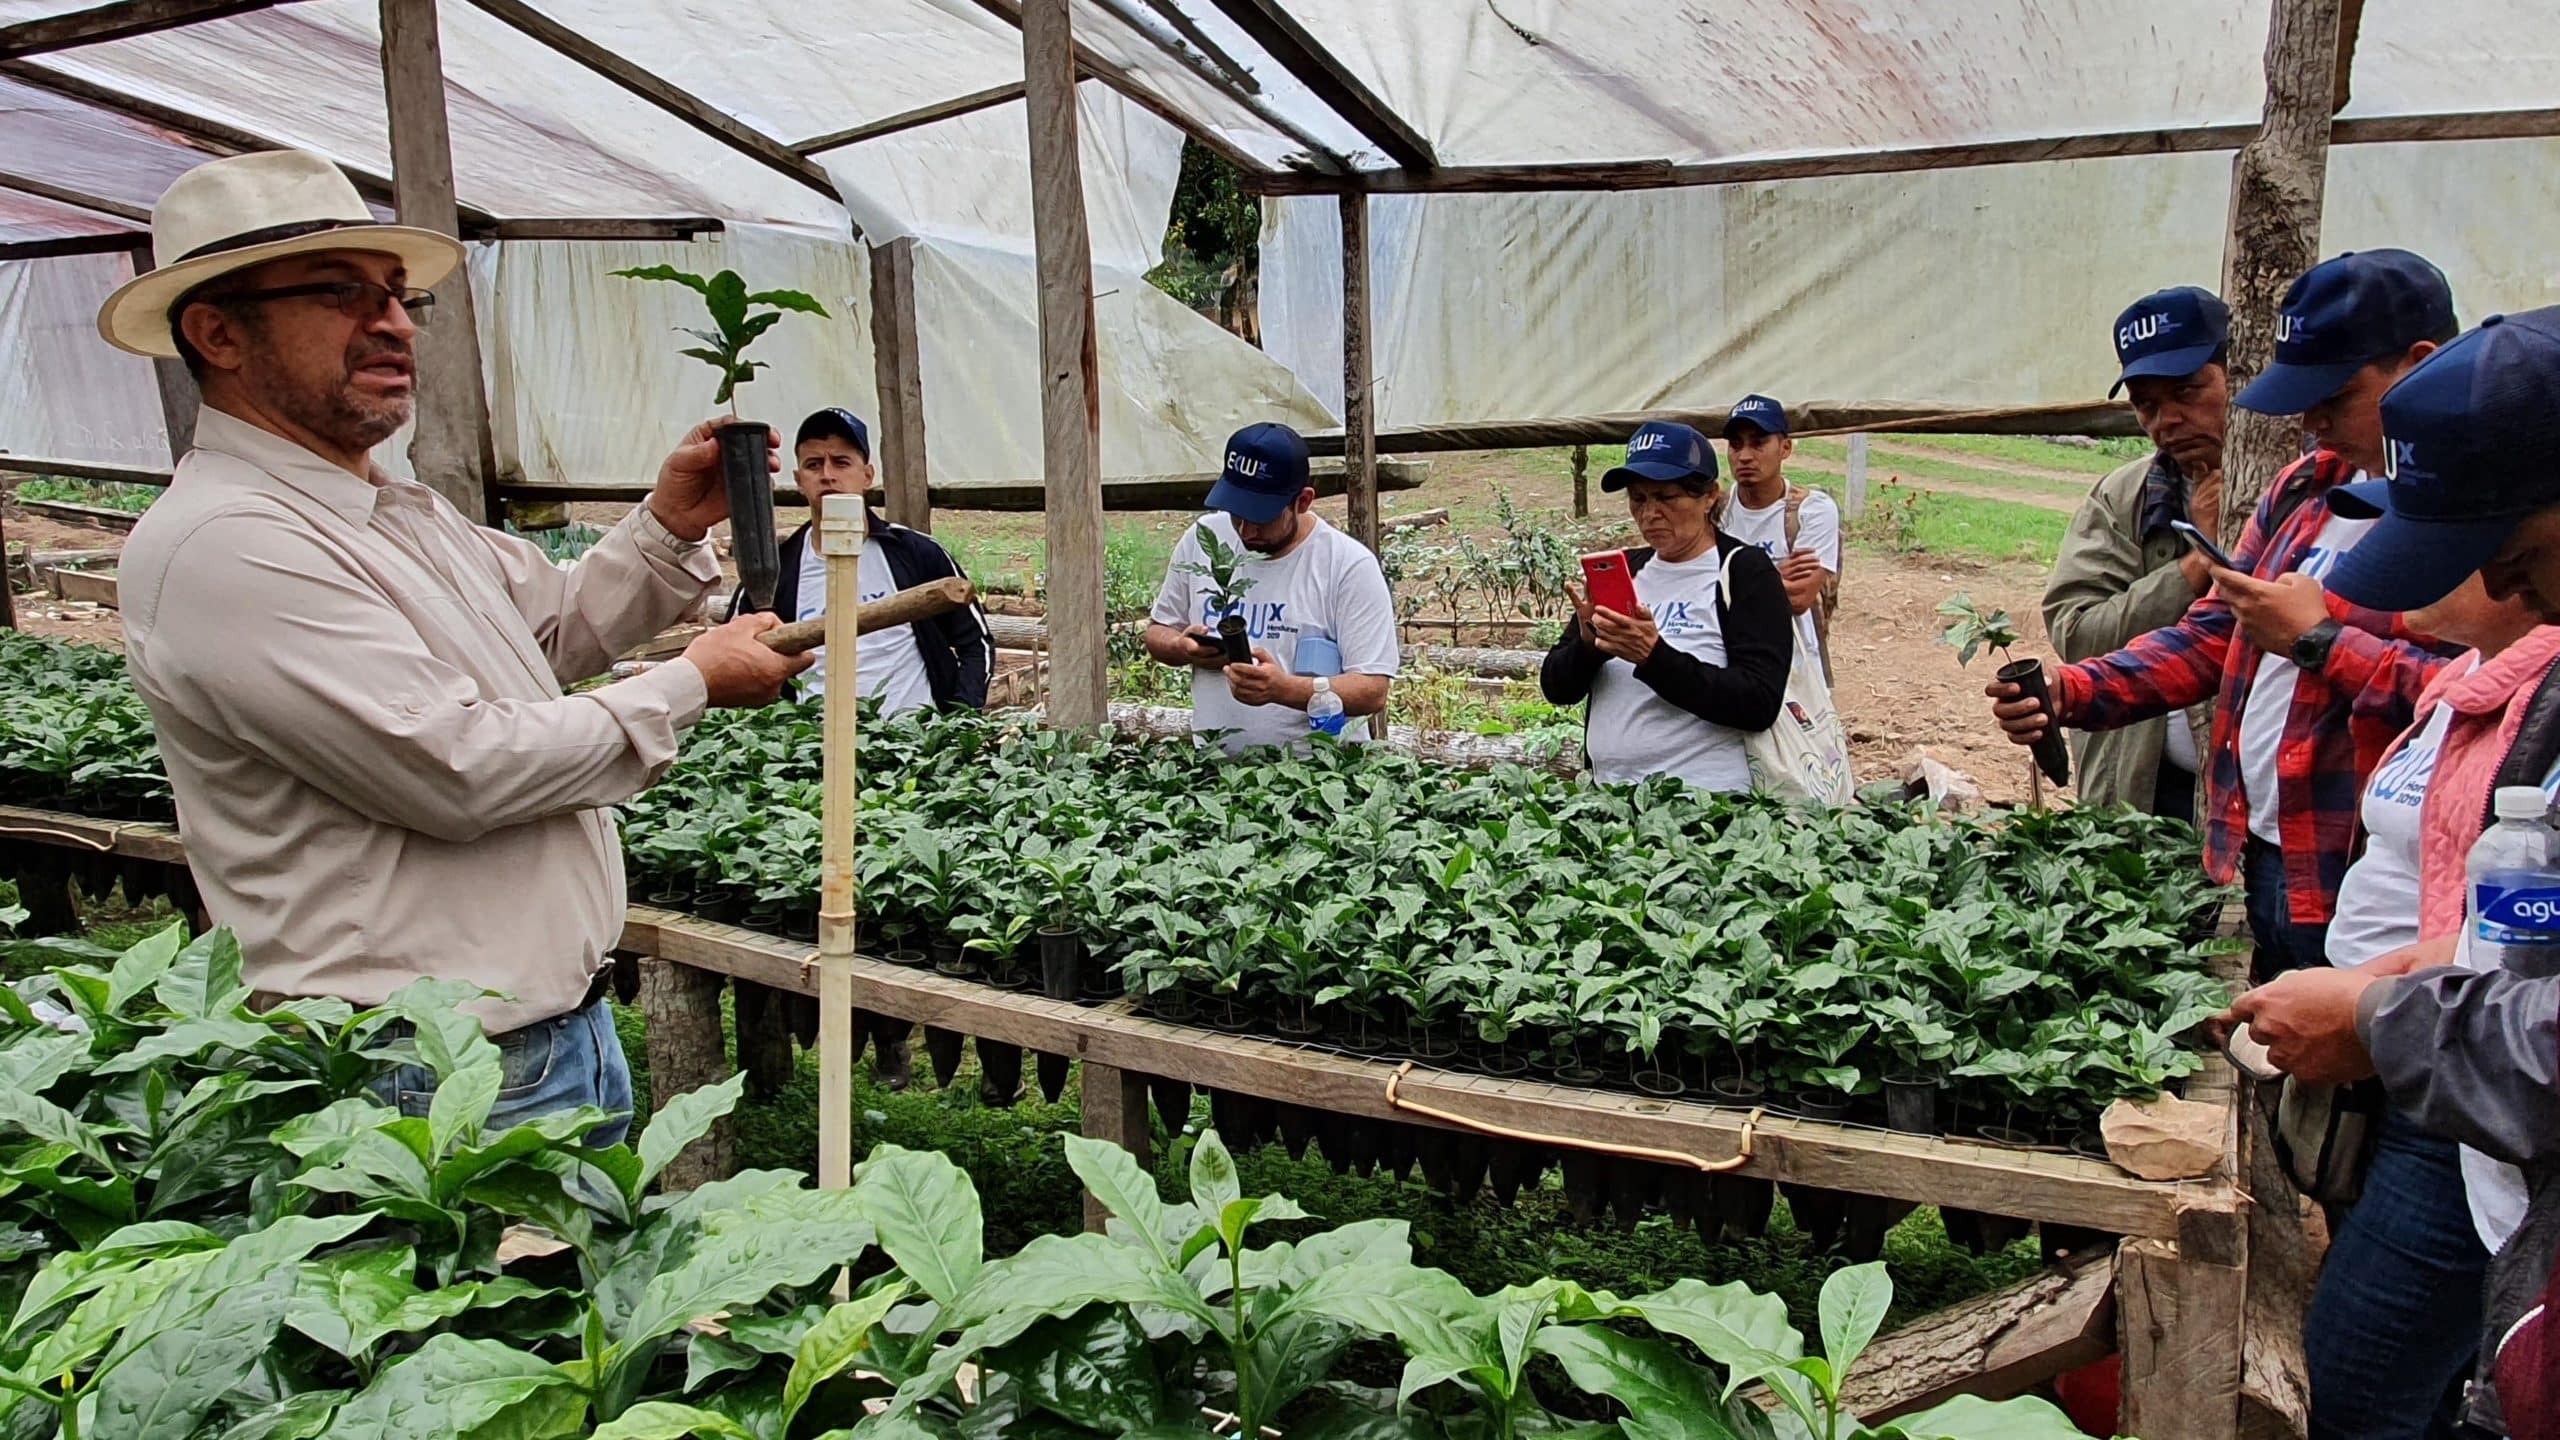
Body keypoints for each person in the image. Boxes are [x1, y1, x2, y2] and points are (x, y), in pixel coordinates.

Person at [103, 150, 808, 1143]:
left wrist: (663, 525)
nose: (392, 323)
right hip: (419, 1078)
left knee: (585, 1299)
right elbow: (458, 769)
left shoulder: (388, 507)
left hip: (545, 1039)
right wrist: (690, 683)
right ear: (218, 333)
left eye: (397, 298)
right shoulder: (232, 543)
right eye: (339, 293)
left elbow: (551, 628)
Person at [2220, 307, 2560, 1439]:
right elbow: (2518, 932)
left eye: (2513, 555)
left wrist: (2382, 1011)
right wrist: (2426, 969)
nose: (2516, 596)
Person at [1990, 249, 2458, 978]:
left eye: (2335, 392)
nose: (2312, 417)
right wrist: (2074, 692)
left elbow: (2496, 695)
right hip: (2272, 850)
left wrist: (2320, 643)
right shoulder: (2306, 486)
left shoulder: (2471, 519)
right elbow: (2217, 634)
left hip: (2374, 867)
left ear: (2417, 366)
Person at [2295, 562, 2552, 1440]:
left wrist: (2373, 1008)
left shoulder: (2535, 710)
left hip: (2466, 1098)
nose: (2418, 562)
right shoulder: (2465, 680)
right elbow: (2486, 928)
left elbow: (2523, 967)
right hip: (2419, 1059)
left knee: (2354, 1386)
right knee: (2429, 1378)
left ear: (2524, 570)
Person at [2041, 287, 2229, 821]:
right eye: (2147, 406)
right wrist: (2196, 565)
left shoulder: (2309, 489)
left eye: (2188, 392)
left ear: (2240, 376)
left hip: (2266, 810)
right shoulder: (2125, 498)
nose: (2166, 421)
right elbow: (2078, 634)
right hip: (2141, 797)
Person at [1541, 421, 1791, 791]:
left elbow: (1758, 702)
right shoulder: (1625, 570)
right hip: (1611, 796)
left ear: (1709, 496)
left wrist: (1653, 657)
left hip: (1706, 804)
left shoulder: (1741, 570)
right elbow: (1556, 688)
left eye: (1667, 498)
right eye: (1638, 499)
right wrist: (1589, 647)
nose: (1650, 513)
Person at [1145, 422, 1399, 755]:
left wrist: (1285, 689)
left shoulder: (1347, 565)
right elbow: (1158, 631)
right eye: (1237, 512)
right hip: (1215, 775)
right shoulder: (1203, 541)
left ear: (1303, 501)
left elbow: (1372, 689)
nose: (1246, 529)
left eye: (1261, 516)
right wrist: (1181, 647)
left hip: (1317, 779)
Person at [729, 407, 991, 712]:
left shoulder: (917, 554)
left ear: (867, 476)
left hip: (916, 745)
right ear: (799, 480)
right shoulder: (774, 572)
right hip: (811, 747)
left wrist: (959, 722)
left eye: (841, 462)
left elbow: (976, 644)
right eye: (814, 465)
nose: (827, 475)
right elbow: (736, 660)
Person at [1716, 395, 1842, 684]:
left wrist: (1729, 585)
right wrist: (1773, 578)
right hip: (1728, 661)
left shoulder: (1812, 510)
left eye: (1758, 442)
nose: (1745, 456)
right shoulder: (1716, 510)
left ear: (1785, 448)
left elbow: (1799, 598)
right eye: (1736, 445)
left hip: (1796, 665)